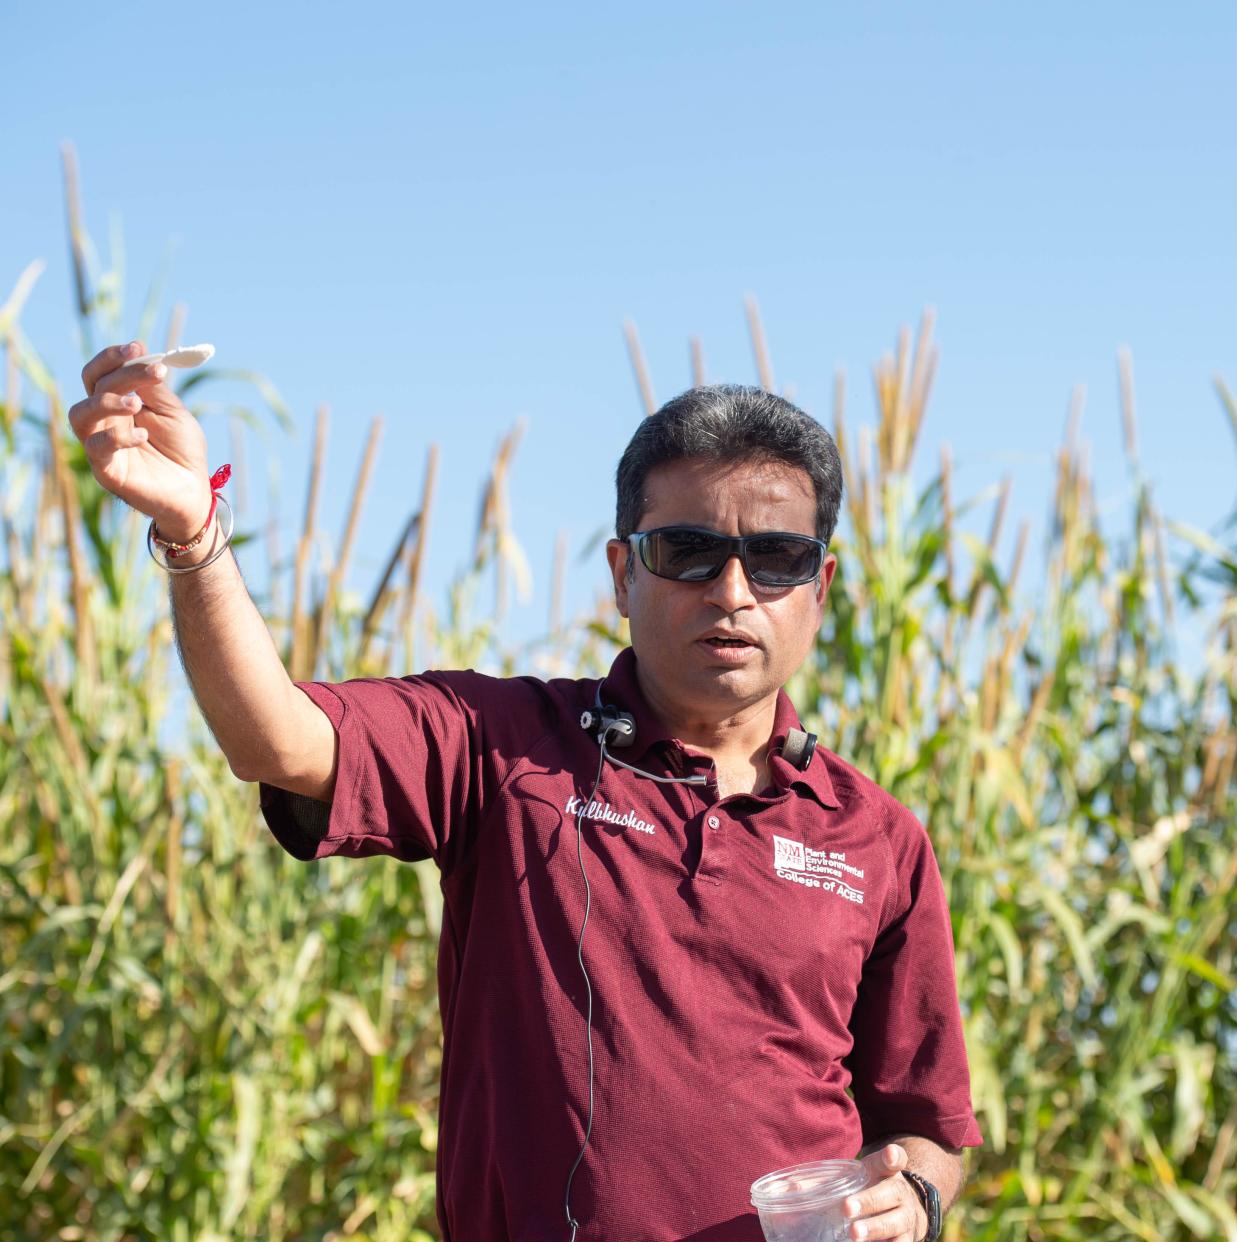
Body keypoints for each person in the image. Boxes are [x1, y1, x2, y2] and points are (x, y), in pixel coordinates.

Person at [71, 342, 983, 1242]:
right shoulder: (501, 746)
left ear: (820, 587)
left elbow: (930, 1129)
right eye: (688, 551)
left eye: (776, 556)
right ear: (624, 574)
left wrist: (920, 1201)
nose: (734, 591)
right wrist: (193, 532)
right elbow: (271, 738)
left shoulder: (877, 838)